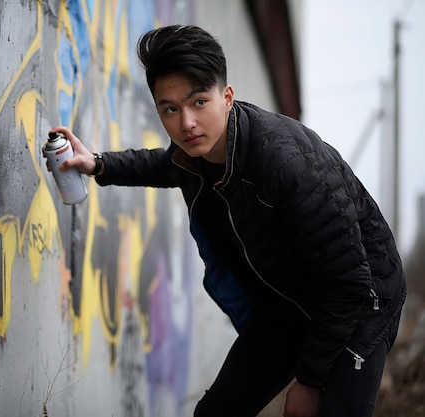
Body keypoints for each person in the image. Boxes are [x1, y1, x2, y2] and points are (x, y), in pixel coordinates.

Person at [44, 25, 406, 417]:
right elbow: (163, 166)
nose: (186, 124)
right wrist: (97, 163)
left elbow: (349, 283)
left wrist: (309, 381)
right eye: (170, 109)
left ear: (227, 97)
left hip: (360, 303)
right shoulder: (195, 155)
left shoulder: (288, 163)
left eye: (199, 102)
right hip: (288, 306)